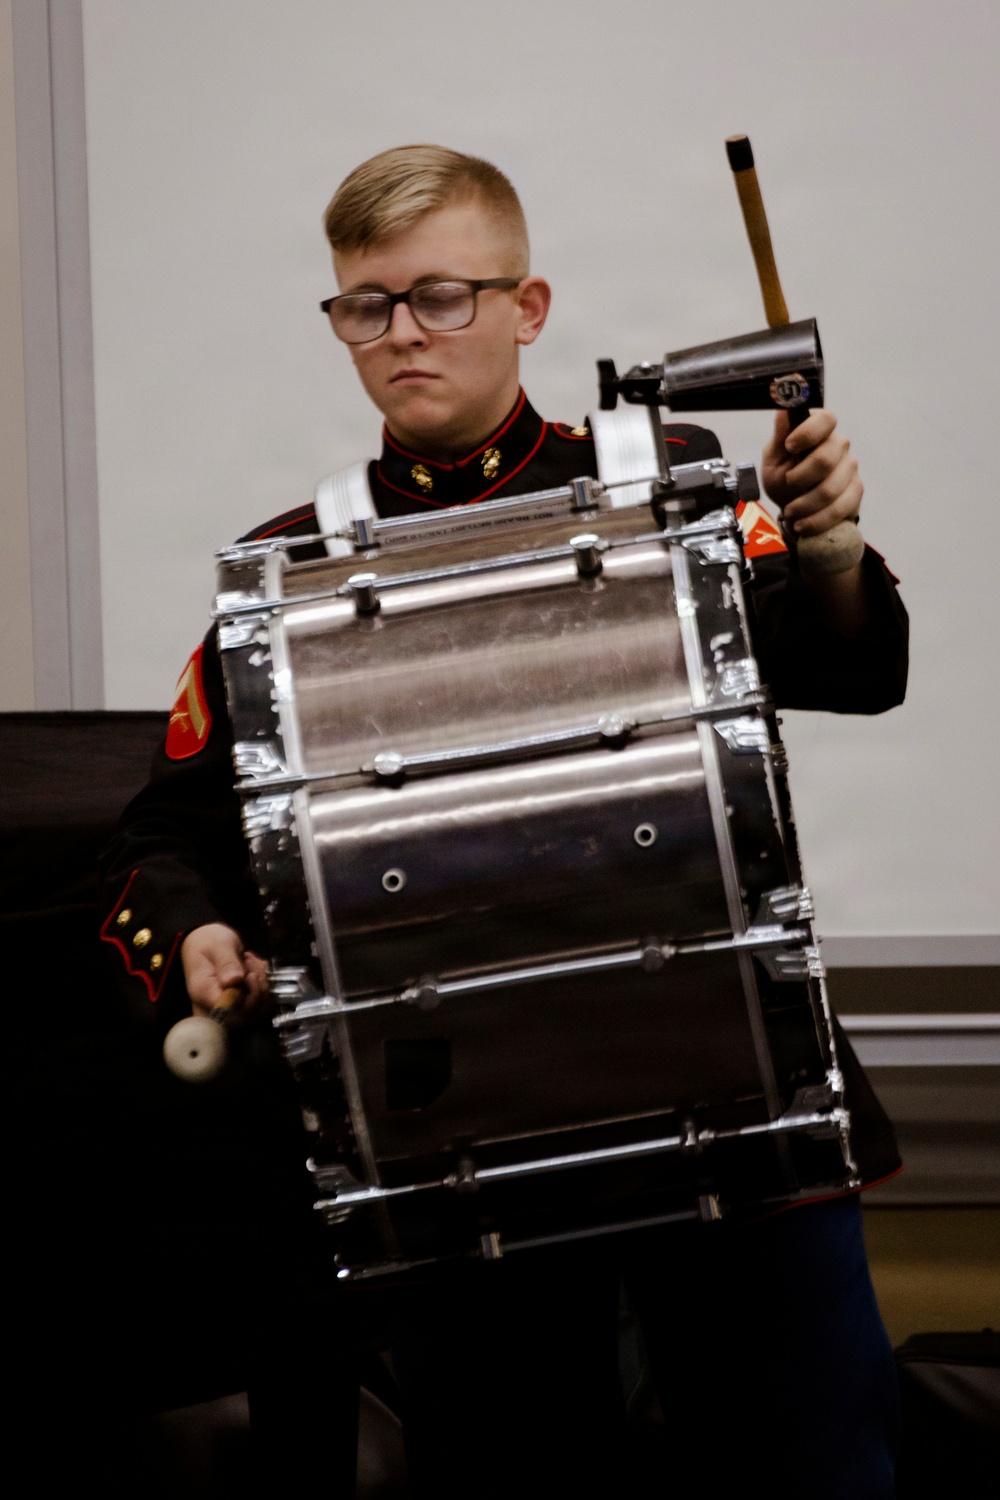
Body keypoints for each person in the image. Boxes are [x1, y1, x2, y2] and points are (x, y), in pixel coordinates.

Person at [99, 145, 908, 1498]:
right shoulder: (290, 572)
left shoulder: (683, 486)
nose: (402, 332)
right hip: (457, 1159)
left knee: (813, 1482)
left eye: (442, 296)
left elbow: (854, 672)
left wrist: (824, 550)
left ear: (527, 307)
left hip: (738, 1106)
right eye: (367, 304)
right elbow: (159, 838)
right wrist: (191, 932)